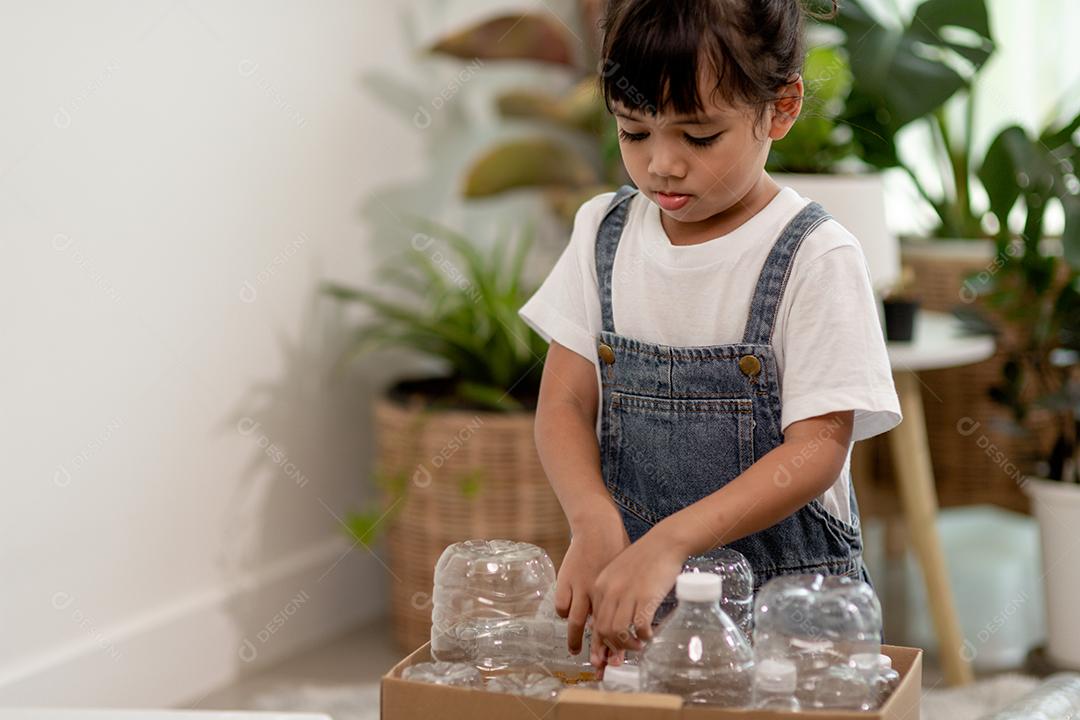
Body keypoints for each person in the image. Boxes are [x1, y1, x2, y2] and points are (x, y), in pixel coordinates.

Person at [518, 0, 900, 672]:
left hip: (792, 620)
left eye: (698, 137)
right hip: (644, 610)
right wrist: (592, 519)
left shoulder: (814, 255)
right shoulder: (601, 234)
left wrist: (673, 540)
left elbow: (817, 449)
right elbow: (565, 403)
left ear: (780, 110)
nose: (662, 164)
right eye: (634, 132)